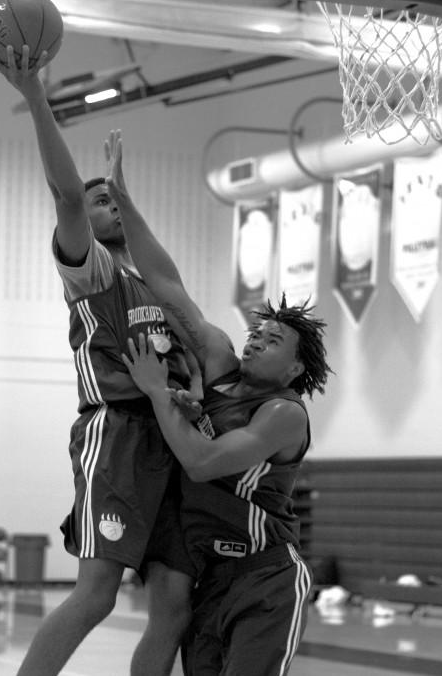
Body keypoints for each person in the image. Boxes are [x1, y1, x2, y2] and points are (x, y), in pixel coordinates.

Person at [0, 44, 198, 676]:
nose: (103, 199)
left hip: (173, 436)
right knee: (97, 593)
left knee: (174, 604)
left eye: (113, 196)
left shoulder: (155, 282)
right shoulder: (94, 272)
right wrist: (34, 98)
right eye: (97, 197)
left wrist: (188, 396)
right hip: (117, 430)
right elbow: (66, 197)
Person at [107, 128, 332, 675]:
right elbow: (165, 283)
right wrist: (125, 202)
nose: (256, 339)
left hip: (266, 577)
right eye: (257, 332)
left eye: (273, 341)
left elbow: (203, 462)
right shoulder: (219, 365)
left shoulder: (283, 414)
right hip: (211, 575)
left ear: (296, 368)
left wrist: (160, 392)